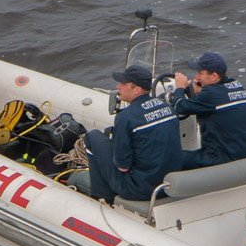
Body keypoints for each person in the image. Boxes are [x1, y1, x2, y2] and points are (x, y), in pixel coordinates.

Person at [73, 64, 183, 203]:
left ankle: (103, 197)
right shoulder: (168, 108)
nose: (118, 86)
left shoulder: (126, 117)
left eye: (123, 83)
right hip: (167, 184)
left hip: (139, 189)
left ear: (136, 89)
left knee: (92, 136)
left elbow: (123, 166)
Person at [170, 51, 246, 169]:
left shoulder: (210, 94)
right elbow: (214, 102)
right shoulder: (237, 86)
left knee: (172, 158)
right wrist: (199, 92)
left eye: (200, 73)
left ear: (214, 76)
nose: (196, 78)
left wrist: (180, 88)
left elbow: (180, 107)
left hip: (223, 158)